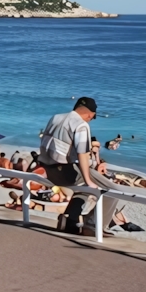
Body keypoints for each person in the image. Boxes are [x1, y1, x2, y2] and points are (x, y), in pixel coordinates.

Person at [39, 96, 117, 236]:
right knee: (113, 190)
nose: (90, 120)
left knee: (86, 188)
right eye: (92, 118)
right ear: (90, 114)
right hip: (65, 172)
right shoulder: (81, 125)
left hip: (48, 170)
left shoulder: (55, 118)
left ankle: (70, 219)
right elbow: (83, 154)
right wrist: (88, 180)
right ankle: (93, 225)